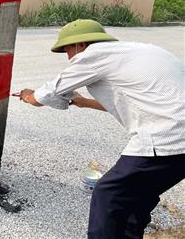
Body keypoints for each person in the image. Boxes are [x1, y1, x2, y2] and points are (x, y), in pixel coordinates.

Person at [17, 19, 184, 238]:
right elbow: (134, 102)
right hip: (178, 140)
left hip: (168, 136)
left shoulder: (92, 55)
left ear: (79, 45)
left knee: (109, 194)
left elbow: (48, 93)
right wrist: (85, 102)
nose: (69, 58)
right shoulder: (132, 52)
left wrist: (28, 96)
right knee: (138, 195)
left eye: (67, 50)